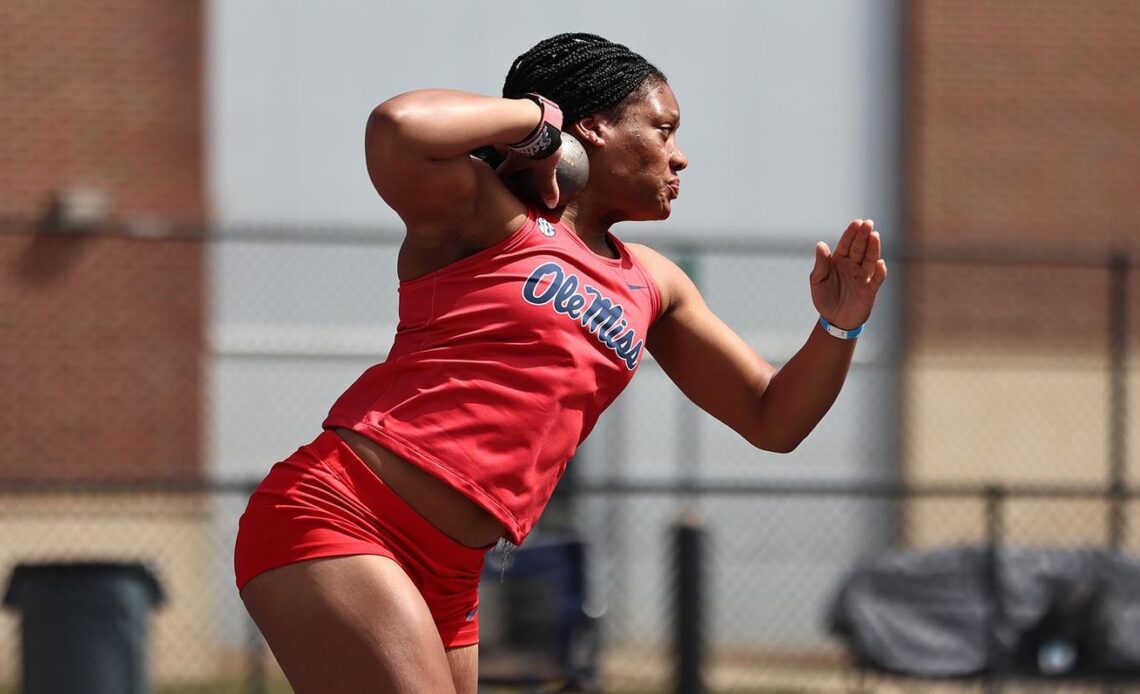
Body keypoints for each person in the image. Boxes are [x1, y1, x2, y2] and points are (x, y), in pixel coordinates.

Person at [234, 32, 887, 693]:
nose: (681, 157)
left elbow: (772, 419)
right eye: (663, 129)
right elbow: (399, 128)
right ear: (596, 128)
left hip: (455, 571)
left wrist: (840, 323)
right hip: (345, 514)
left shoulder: (655, 283)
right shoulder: (486, 213)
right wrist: (539, 120)